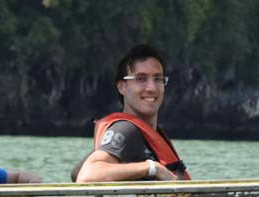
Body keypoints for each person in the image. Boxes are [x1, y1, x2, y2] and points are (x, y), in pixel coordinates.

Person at [75, 44, 189, 183]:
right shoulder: (125, 129)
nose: (151, 88)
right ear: (122, 87)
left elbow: (76, 172)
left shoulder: (148, 134)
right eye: (141, 79)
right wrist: (152, 168)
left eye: (158, 79)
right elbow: (87, 175)